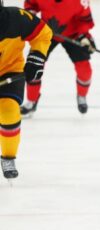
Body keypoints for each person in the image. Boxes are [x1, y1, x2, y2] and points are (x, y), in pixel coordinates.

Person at [0, 1, 52, 180]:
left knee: (9, 111)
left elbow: (43, 33)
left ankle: (8, 156)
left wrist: (36, 58)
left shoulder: (15, 18)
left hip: (8, 72)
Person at [20, 0, 96, 116]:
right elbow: (31, 4)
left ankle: (81, 96)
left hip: (73, 35)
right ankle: (32, 100)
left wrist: (84, 36)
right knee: (34, 65)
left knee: (85, 70)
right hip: (47, 33)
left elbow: (84, 19)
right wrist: (31, 14)